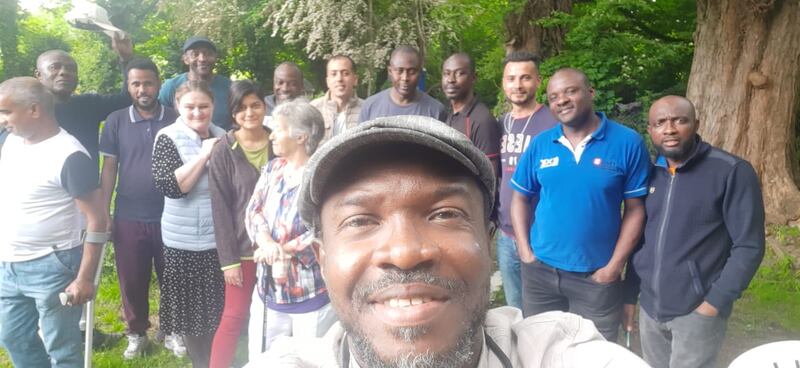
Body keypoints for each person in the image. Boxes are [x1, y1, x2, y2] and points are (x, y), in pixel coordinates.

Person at [246, 115, 649, 367]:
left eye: (445, 214)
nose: (404, 254)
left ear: (487, 241)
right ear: (322, 256)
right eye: (360, 220)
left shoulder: (559, 354)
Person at [622, 96, 765, 368]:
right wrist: (630, 296)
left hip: (697, 310)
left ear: (697, 124)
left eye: (680, 120)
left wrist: (714, 303)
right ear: (650, 130)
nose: (670, 129)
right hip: (650, 309)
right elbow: (640, 239)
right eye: (660, 122)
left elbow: (749, 245)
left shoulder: (731, 171)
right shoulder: (649, 174)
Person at [509, 68, 649, 342]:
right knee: (539, 349)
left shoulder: (627, 142)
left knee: (594, 355)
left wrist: (613, 267)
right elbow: (520, 198)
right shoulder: (541, 144)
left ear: (591, 92)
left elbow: (635, 210)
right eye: (553, 97)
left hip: (595, 277)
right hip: (540, 272)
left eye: (570, 91)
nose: (561, 100)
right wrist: (525, 251)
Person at [0, 77, 107, 367]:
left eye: (7, 112)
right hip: (8, 264)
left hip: (52, 265)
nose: (2, 120)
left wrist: (84, 278)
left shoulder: (69, 155)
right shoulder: (11, 142)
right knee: (13, 337)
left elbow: (98, 219)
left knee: (62, 349)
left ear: (34, 110)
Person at [99, 58, 178, 359]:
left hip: (172, 214)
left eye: (148, 83)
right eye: (136, 83)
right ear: (128, 86)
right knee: (131, 279)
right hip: (129, 215)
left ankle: (171, 329)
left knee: (172, 275)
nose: (142, 89)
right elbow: (109, 168)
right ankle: (136, 332)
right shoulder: (116, 120)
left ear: (158, 84)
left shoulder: (176, 117)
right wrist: (104, 212)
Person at [244, 101, 335, 355]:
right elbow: (254, 210)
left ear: (301, 136)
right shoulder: (273, 168)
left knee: (312, 359)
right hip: (269, 292)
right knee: (265, 359)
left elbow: (322, 230)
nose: (271, 135)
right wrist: (267, 243)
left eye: (278, 129)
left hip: (311, 294)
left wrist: (281, 249)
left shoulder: (321, 178)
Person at [152, 80, 226, 367]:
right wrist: (204, 154)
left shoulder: (223, 135)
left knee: (215, 310)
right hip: (184, 243)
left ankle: (215, 360)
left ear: (213, 106)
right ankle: (202, 363)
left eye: (203, 106)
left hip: (217, 239)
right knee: (193, 316)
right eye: (190, 107)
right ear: (178, 108)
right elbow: (172, 187)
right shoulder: (167, 137)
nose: (197, 112)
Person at [208, 80, 273, 367]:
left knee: (275, 319)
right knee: (234, 316)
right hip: (242, 251)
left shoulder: (279, 140)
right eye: (242, 108)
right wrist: (228, 260)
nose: (249, 113)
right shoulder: (224, 149)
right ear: (233, 113)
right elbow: (219, 207)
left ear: (264, 106)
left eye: (255, 105)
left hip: (279, 248)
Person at [494, 52, 558, 310]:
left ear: (538, 81)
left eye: (525, 78)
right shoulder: (500, 123)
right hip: (505, 234)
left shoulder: (553, 123)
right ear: (503, 83)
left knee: (545, 311)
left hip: (542, 235)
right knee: (515, 308)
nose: (518, 85)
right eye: (511, 78)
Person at [35, 33, 133, 167]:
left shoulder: (89, 105)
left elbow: (127, 99)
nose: (64, 72)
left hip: (85, 187)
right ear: (38, 75)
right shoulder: (26, 111)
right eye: (54, 67)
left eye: (71, 69)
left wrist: (126, 59)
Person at [442, 52, 501, 172]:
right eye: (446, 74)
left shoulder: (482, 120)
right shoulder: (446, 114)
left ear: (473, 78)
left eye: (459, 73)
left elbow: (490, 174)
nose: (451, 80)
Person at [159, 36, 233, 130]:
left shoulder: (230, 87)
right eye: (195, 54)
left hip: (222, 142)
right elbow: (158, 118)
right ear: (185, 59)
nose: (202, 58)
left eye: (208, 54)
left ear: (215, 57)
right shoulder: (171, 87)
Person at [358, 45, 447, 123]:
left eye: (412, 72)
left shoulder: (436, 111)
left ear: (420, 73)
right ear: (390, 71)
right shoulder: (370, 106)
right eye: (399, 71)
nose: (405, 78)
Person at [310, 55, 363, 142]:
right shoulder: (313, 109)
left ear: (355, 79)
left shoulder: (367, 109)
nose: (339, 79)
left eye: (345, 73)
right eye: (334, 74)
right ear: (327, 81)